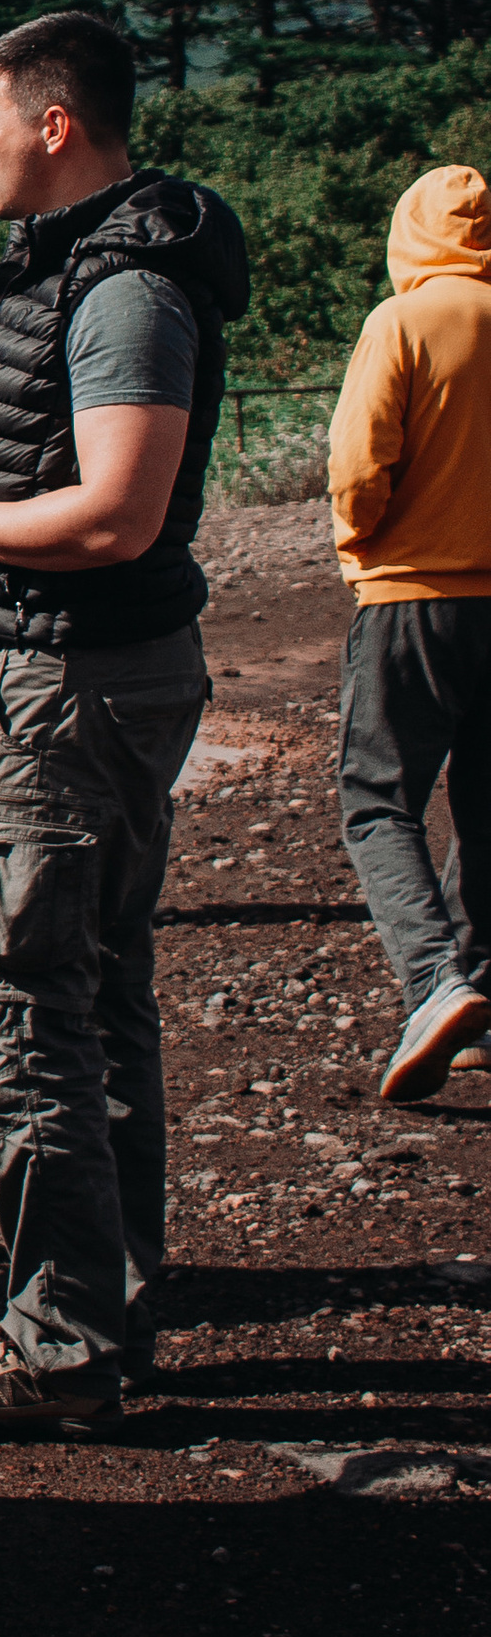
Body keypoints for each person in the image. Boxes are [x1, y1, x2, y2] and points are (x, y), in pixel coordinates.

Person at [0, 12, 249, 1435]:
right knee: (95, 982)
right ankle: (111, 1297)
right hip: (60, 666)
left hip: (77, 678)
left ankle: (63, 1340)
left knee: (24, 999)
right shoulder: (56, 267)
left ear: (56, 124)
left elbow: (119, 509)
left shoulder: (128, 291)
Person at [326, 165, 491, 1102]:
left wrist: (363, 543)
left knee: (378, 798)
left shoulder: (404, 322)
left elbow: (359, 460)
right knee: (486, 800)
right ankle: (476, 1006)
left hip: (412, 595)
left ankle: (433, 979)